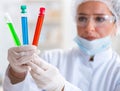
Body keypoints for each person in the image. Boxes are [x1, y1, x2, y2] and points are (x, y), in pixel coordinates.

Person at [3, 0, 120, 91]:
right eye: (82, 18)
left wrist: (62, 87)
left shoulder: (117, 71)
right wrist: (17, 73)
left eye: (100, 19)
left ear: (117, 25)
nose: (89, 28)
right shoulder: (50, 58)